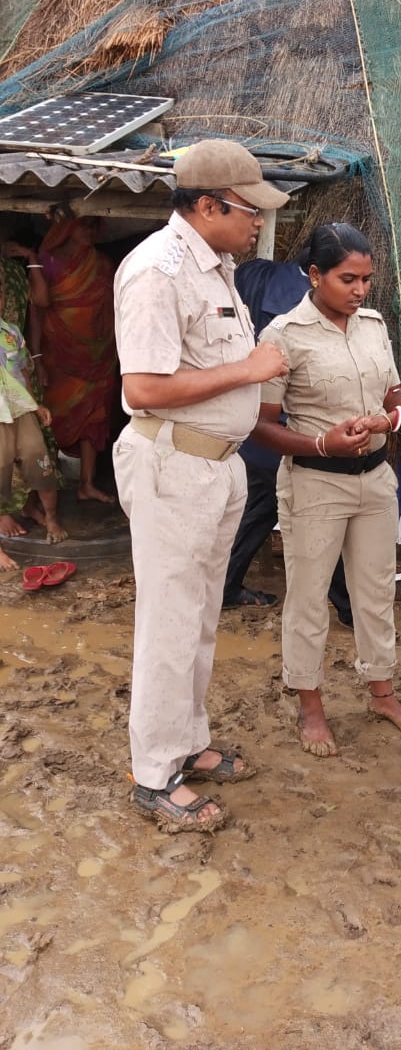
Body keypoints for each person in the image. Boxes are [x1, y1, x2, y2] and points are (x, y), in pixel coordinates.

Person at [113, 139, 289, 833]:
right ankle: (154, 774)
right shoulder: (158, 271)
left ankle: (187, 741)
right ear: (210, 205)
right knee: (169, 621)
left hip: (217, 467)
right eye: (251, 211)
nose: (259, 223)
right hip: (173, 465)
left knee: (199, 615)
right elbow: (145, 387)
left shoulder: (217, 269)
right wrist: (247, 374)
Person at [255, 221, 401, 756]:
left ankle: (381, 691)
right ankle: (311, 706)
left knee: (375, 592)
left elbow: (395, 400)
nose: (359, 291)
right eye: (347, 279)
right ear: (314, 275)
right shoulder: (283, 335)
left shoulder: (374, 325)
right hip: (314, 485)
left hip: (376, 480)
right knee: (308, 598)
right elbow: (261, 426)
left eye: (366, 280)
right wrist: (324, 444)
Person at [221, 248, 353, 626]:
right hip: (289, 429)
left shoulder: (256, 274)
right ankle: (347, 606)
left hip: (253, 421)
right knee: (323, 512)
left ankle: (225, 586)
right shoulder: (315, 305)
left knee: (261, 508)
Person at [37, 212, 117, 503]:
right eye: (85, 225)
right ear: (68, 227)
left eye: (96, 226)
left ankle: (87, 483)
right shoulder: (48, 260)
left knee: (94, 419)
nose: (90, 231)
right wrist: (35, 357)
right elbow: (37, 310)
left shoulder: (104, 264)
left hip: (99, 356)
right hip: (57, 355)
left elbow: (111, 312)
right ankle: (45, 490)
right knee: (50, 418)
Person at [0, 278, 64, 568]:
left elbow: (24, 372)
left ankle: (51, 519)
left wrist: (36, 404)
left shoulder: (11, 333)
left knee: (40, 464)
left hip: (20, 411)